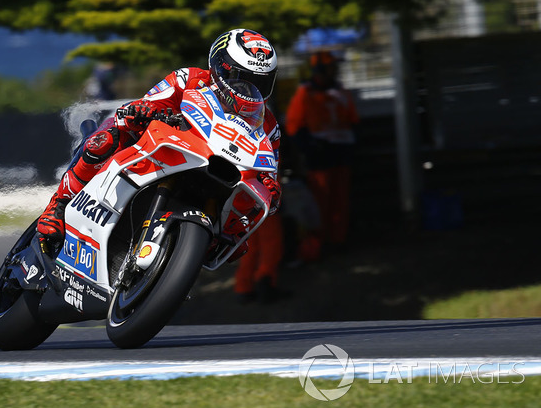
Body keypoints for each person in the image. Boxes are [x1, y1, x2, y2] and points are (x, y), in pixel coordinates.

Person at [36, 28, 283, 255]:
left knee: (250, 217)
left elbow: (269, 170)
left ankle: (209, 241)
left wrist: (270, 189)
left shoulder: (269, 126)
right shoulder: (189, 78)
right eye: (241, 78)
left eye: (259, 83)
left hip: (217, 178)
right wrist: (144, 109)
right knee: (108, 136)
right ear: (221, 68)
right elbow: (146, 103)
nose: (250, 90)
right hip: (166, 150)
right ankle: (59, 204)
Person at [284, 50, 359, 253]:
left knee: (340, 202)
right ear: (320, 69)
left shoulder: (341, 92)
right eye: (331, 66)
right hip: (318, 159)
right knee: (319, 204)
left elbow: (352, 121)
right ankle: (318, 245)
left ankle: (338, 241)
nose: (335, 70)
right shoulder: (305, 93)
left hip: (342, 155)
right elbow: (294, 126)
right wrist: (310, 148)